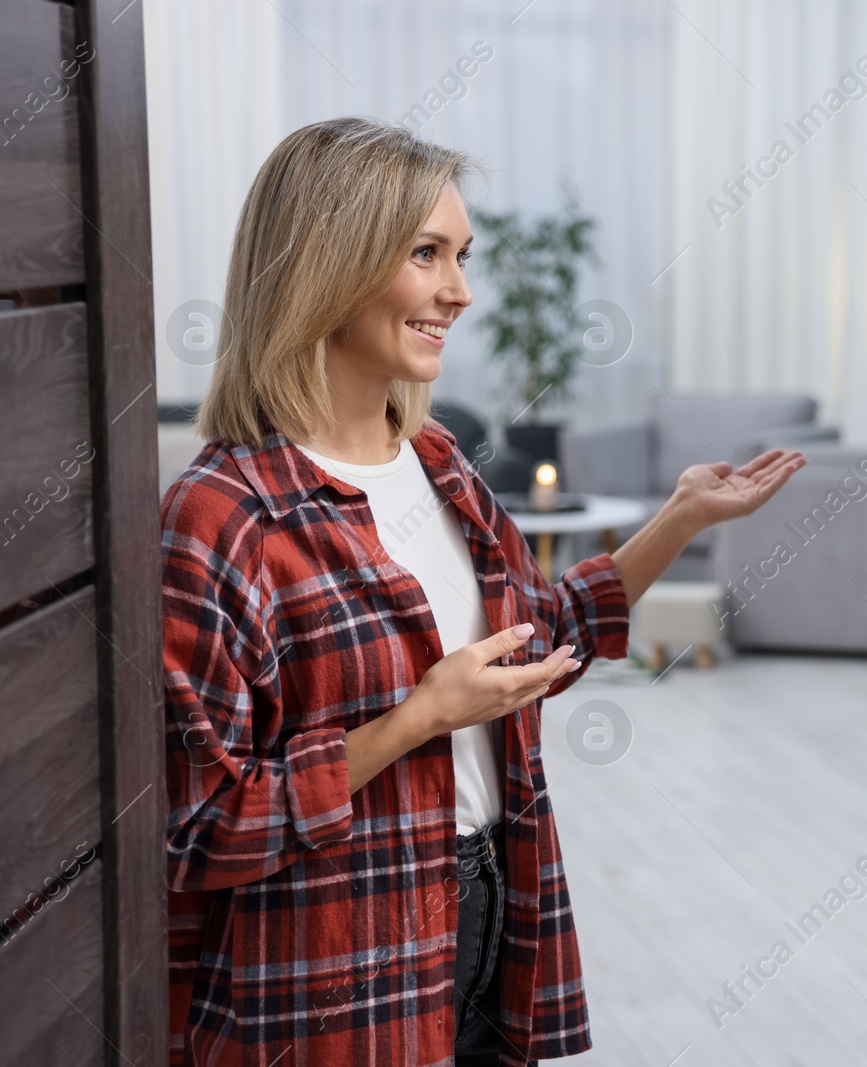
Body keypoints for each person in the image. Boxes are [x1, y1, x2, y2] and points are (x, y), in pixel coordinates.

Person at [161, 117, 805, 1066]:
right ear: (327, 261)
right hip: (334, 963)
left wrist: (681, 517)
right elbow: (200, 831)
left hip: (489, 909)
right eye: (427, 254)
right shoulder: (222, 516)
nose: (460, 292)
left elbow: (542, 640)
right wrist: (414, 721)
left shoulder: (436, 462)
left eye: (461, 255)